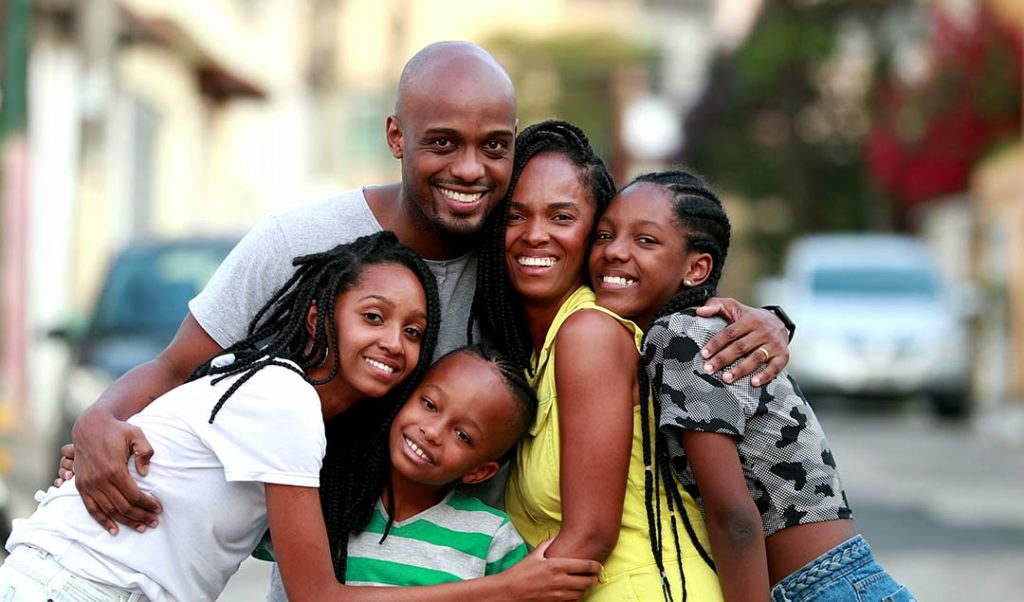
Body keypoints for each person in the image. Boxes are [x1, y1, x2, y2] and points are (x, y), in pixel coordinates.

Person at [58, 41, 789, 592]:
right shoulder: (298, 243)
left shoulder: (511, 263)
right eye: (444, 142)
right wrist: (97, 419)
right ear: (397, 137)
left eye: (493, 147)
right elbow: (175, 367)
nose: (471, 170)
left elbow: (639, 248)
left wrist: (761, 319)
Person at [5, 233, 599, 602]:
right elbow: (319, 597)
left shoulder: (284, 403)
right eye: (373, 317)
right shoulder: (284, 400)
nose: (395, 342)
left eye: (413, 331)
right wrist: (504, 590)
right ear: (316, 317)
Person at [473, 120, 789, 600]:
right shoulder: (542, 349)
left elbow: (590, 538)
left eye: (562, 217)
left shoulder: (591, 334)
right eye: (516, 216)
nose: (534, 235)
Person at [589, 170, 914, 602]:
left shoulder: (684, 336)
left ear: (696, 268)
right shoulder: (692, 331)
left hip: (820, 588)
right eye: (604, 235)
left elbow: (734, 517)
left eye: (645, 241)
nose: (615, 251)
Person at [268, 343, 539, 592]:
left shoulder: (490, 537)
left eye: (463, 435)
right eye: (429, 404)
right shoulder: (332, 500)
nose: (432, 432)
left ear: (479, 471)